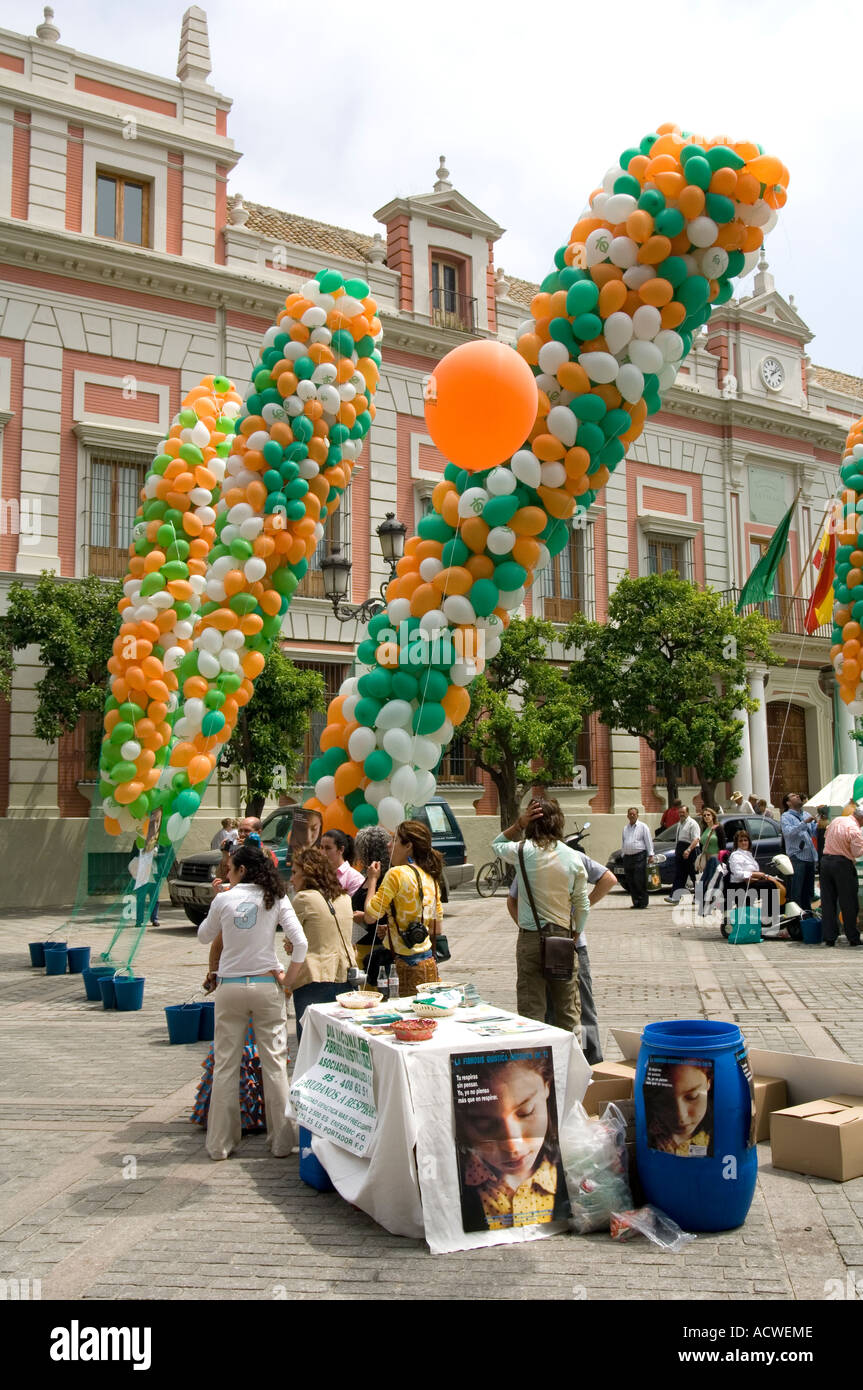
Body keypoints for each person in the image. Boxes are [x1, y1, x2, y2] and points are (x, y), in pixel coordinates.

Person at [197, 842, 307, 1161]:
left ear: (240, 870)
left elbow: (204, 936)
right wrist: (288, 979)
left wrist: (217, 899)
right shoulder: (276, 896)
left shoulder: (225, 899)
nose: (227, 871)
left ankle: (219, 1143)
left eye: (230, 867)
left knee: (226, 1064)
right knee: (274, 1063)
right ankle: (282, 1141)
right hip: (266, 984)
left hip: (230, 986)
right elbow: (300, 942)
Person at [507, 852, 617, 1063]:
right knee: (579, 1007)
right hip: (570, 942)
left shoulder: (530, 858)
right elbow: (609, 879)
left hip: (546, 945)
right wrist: (579, 911)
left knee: (550, 1008)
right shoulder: (574, 856)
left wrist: (529, 931)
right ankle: (590, 1062)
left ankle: (558, 1061)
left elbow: (511, 901)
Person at [492, 798, 589, 1033]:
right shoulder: (572, 856)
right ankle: (571, 1064)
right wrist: (576, 932)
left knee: (531, 1011)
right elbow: (582, 904)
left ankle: (536, 1065)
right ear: (559, 823)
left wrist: (518, 824)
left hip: (530, 938)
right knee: (568, 1012)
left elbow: (497, 844)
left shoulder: (522, 851)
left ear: (532, 823)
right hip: (562, 938)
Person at [454, 1051, 568, 1233]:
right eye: (485, 1123)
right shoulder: (453, 1184)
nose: (513, 1146)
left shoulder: (576, 1170)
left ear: (547, 1086)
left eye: (526, 1112)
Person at [364, 819, 443, 996]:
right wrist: (397, 927)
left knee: (401, 1021)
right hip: (428, 966)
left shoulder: (396, 874)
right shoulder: (431, 877)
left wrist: (373, 880)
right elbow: (436, 929)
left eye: (395, 840)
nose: (388, 844)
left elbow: (370, 916)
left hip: (400, 967)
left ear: (408, 846)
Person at [287, 846, 357, 1042]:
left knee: (312, 1044)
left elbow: (291, 941)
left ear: (308, 872)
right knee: (341, 1043)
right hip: (346, 976)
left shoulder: (303, 899)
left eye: (294, 873)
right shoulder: (345, 898)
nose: (292, 879)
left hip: (313, 976)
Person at [351, 824, 394, 984]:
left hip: (377, 951)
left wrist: (364, 917)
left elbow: (385, 913)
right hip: (362, 947)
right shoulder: (368, 875)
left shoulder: (385, 878)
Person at [644, 1062, 713, 1157]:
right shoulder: (649, 1133)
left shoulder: (720, 1131)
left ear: (708, 1083)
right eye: (665, 1101)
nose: (681, 1115)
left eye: (692, 1096)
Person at [819, 806, 863, 947]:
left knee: (828, 901)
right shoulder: (855, 830)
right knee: (848, 902)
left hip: (826, 862)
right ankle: (853, 937)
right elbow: (857, 853)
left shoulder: (837, 820)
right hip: (842, 864)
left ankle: (830, 936)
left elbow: (826, 836)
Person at [727, 828, 785, 926]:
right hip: (739, 886)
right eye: (740, 841)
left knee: (778, 883)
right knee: (769, 886)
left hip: (750, 882)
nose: (743, 843)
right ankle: (767, 916)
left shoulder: (748, 855)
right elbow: (738, 874)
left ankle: (778, 913)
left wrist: (764, 876)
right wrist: (756, 874)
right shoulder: (735, 855)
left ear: (749, 842)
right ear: (736, 843)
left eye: (745, 840)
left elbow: (755, 872)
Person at [780, 793, 817, 913]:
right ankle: (797, 918)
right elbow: (788, 833)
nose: (797, 796)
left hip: (810, 857)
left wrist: (820, 821)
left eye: (797, 795)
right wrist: (804, 823)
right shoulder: (786, 816)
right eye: (793, 796)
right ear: (788, 802)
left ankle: (807, 915)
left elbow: (813, 832)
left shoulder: (805, 814)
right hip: (797, 857)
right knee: (797, 891)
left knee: (808, 891)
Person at [665, 805, 701, 904]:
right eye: (680, 812)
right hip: (680, 850)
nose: (681, 814)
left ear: (688, 813)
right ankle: (675, 897)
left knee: (694, 875)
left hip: (691, 850)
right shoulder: (680, 824)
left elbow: (696, 839)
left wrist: (688, 850)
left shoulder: (692, 823)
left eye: (683, 812)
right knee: (680, 874)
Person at [620, 807, 653, 909]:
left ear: (637, 815)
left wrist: (651, 854)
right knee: (630, 880)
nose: (632, 815)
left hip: (639, 856)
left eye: (634, 814)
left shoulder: (643, 827)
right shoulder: (625, 828)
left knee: (639, 879)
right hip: (627, 857)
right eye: (630, 814)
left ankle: (643, 902)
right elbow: (623, 841)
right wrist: (623, 854)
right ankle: (636, 902)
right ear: (627, 816)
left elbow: (648, 841)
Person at [696, 807, 726, 916]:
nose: (706, 817)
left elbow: (723, 846)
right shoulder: (704, 829)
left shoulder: (718, 828)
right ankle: (704, 907)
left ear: (713, 816)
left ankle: (714, 905)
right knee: (703, 883)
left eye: (708, 815)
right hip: (707, 860)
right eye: (704, 815)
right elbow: (702, 845)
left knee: (712, 883)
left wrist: (722, 860)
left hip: (716, 859)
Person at [320, 829, 365, 896]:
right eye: (321, 847)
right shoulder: (318, 872)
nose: (323, 853)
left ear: (341, 849)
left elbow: (352, 905)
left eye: (328, 848)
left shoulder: (355, 878)